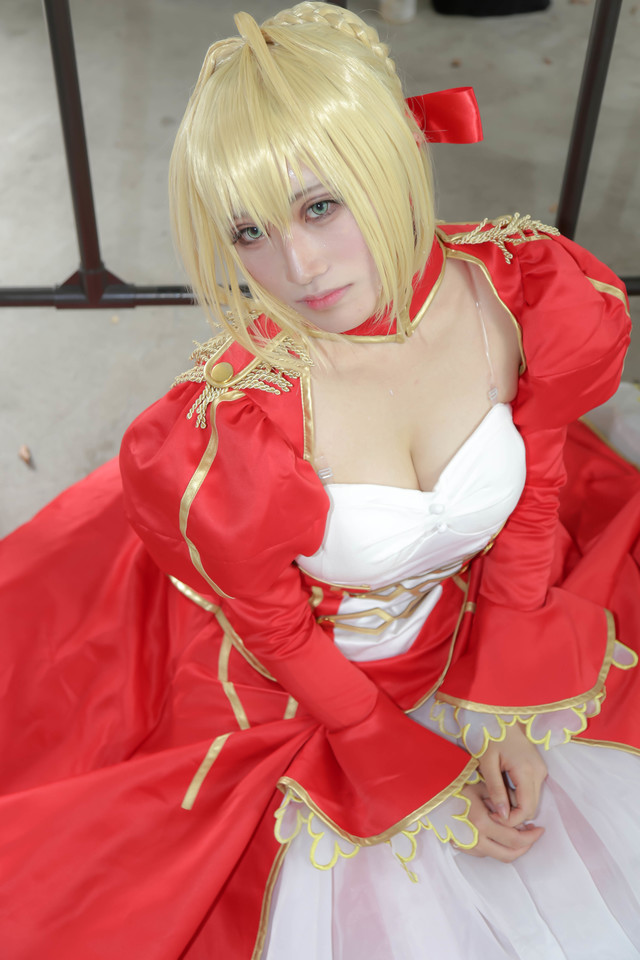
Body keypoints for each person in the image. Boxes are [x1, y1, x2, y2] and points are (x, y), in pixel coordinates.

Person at [0, 3, 639, 957]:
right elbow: (278, 631)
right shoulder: (240, 432)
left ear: (390, 161)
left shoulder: (519, 297)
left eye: (319, 206)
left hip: (478, 622)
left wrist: (508, 701)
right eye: (248, 231)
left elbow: (534, 498)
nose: (296, 268)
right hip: (312, 681)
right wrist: (400, 763)